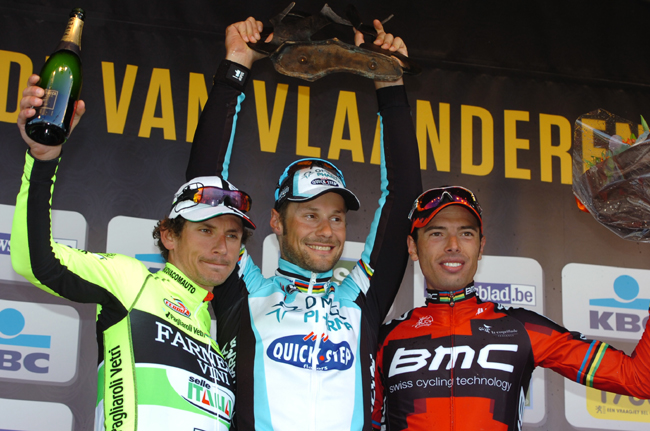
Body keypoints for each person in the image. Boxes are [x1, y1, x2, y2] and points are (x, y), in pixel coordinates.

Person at [186, 17, 422, 431]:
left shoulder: (358, 302)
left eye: (335, 217)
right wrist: (235, 68)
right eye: (310, 215)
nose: (327, 231)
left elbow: (403, 197)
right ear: (276, 221)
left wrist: (390, 85)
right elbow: (203, 190)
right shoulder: (245, 292)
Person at [11, 75, 257, 431]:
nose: (221, 247)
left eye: (233, 235)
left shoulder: (211, 334)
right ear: (169, 236)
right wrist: (43, 159)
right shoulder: (132, 282)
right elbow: (37, 262)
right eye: (205, 230)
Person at [371, 186, 650, 431]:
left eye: (466, 233)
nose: (453, 246)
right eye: (437, 233)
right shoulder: (384, 341)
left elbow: (639, 379)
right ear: (412, 246)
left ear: (481, 246)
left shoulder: (520, 328)